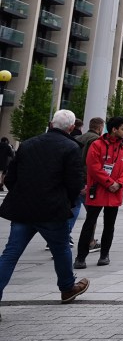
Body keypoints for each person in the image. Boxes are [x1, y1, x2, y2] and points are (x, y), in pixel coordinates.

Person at [0, 109, 90, 313]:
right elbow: (74, 183)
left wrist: (21, 195)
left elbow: (11, 177)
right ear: (71, 127)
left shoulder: (28, 144)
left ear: (51, 124)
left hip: (23, 209)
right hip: (52, 209)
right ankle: (67, 288)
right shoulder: (71, 147)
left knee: (10, 253)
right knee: (61, 249)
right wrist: (66, 201)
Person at [74, 117, 123, 270]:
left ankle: (104, 254)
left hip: (114, 192)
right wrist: (109, 183)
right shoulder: (97, 145)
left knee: (109, 225)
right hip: (98, 191)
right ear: (114, 129)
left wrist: (118, 183)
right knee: (89, 223)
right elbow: (93, 167)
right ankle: (81, 257)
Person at [69, 117, 105, 252]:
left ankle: (64, 237)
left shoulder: (78, 138)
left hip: (74, 180)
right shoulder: (96, 140)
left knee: (72, 210)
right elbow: (91, 163)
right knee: (92, 214)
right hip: (87, 182)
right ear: (100, 127)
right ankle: (90, 241)